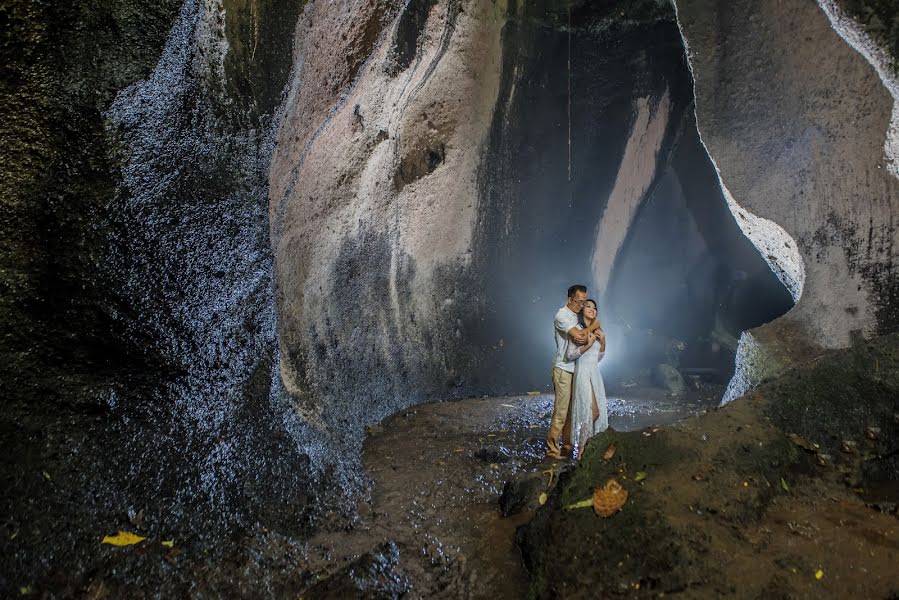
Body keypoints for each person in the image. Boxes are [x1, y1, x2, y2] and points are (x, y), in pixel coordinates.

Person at [548, 285, 604, 459]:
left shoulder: (577, 317)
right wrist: (594, 325)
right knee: (561, 412)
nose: (582, 305)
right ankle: (552, 450)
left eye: (584, 302)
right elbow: (579, 337)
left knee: (572, 413)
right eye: (580, 302)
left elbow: (594, 348)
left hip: (577, 370)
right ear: (570, 299)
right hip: (563, 368)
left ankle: (567, 447)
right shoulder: (562, 315)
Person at [565, 299, 608, 458]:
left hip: (595, 373)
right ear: (582, 310)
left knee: (596, 413)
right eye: (588, 306)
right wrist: (588, 344)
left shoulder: (599, 331)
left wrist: (602, 342)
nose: (592, 309)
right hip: (583, 373)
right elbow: (570, 355)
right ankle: (581, 451)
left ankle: (586, 451)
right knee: (592, 412)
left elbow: (599, 357)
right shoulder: (577, 330)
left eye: (594, 308)